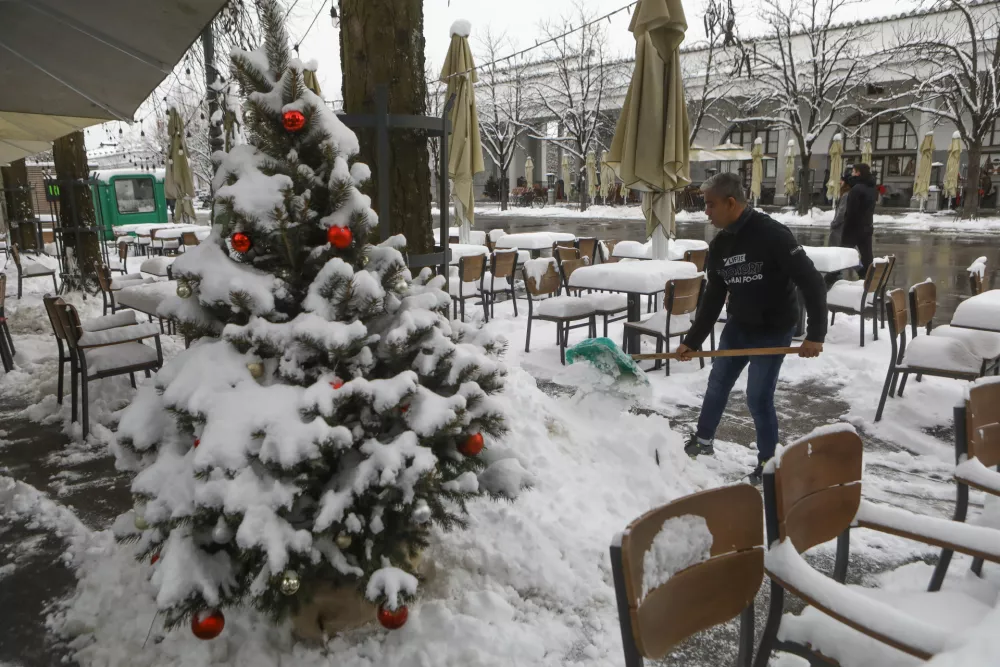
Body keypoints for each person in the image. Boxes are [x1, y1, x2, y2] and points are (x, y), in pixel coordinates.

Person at [677, 172, 827, 484]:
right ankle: (702, 442)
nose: (706, 211)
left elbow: (812, 282)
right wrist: (693, 341)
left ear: (731, 203)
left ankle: (768, 465)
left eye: (710, 205)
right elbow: (714, 297)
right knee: (717, 384)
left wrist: (815, 335)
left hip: (773, 329)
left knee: (758, 397)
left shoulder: (773, 235)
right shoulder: (719, 245)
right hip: (739, 326)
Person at [840, 163, 877, 277]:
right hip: (867, 226)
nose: (852, 174)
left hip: (854, 228)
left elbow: (851, 212)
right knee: (867, 256)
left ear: (858, 173)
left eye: (853, 171)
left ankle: (832, 277)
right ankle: (869, 277)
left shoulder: (856, 189)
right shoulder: (872, 188)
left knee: (843, 253)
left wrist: (846, 229)